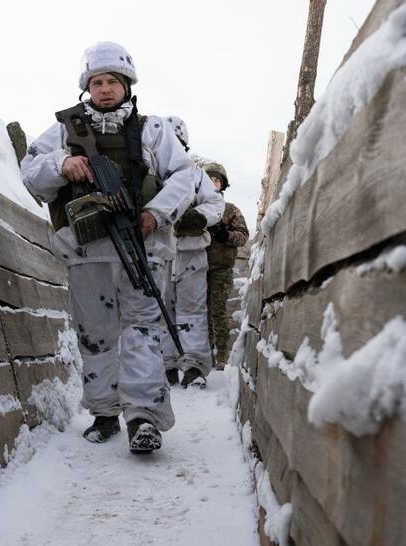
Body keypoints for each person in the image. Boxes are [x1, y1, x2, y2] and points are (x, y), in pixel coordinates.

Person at [21, 42, 199, 453]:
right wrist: (61, 165)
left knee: (141, 331)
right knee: (95, 335)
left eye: (112, 82)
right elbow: (30, 172)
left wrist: (155, 214)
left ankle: (143, 419)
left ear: (126, 86)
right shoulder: (64, 131)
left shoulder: (154, 130)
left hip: (143, 246)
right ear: (87, 87)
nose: (104, 89)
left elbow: (185, 176)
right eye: (97, 82)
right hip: (87, 251)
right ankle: (104, 413)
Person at [162, 116, 224, 388]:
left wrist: (199, 217)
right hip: (159, 251)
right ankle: (166, 365)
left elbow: (215, 203)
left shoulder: (195, 174)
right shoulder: (148, 170)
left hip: (190, 251)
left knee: (191, 311)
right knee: (159, 309)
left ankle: (195, 366)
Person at [204, 162, 249, 369]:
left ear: (222, 185)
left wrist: (225, 235)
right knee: (199, 313)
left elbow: (242, 237)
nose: (213, 183)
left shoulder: (230, 210)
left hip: (220, 268)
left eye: (217, 180)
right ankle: (204, 355)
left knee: (218, 311)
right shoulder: (198, 206)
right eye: (209, 179)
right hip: (197, 267)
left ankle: (221, 355)